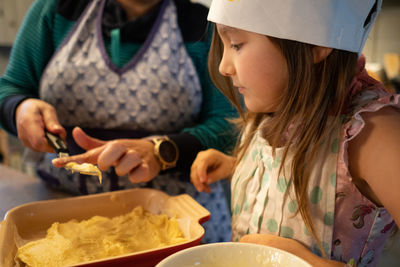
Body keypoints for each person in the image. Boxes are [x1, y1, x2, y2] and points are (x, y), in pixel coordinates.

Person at [0, 0, 237, 243]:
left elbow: (230, 125)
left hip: (176, 222)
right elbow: (11, 88)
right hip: (62, 213)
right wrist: (19, 107)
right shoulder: (57, 9)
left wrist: (162, 152)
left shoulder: (199, 25)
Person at [190, 0, 400, 265]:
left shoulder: (373, 133)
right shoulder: (275, 105)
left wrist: (303, 261)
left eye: (236, 44)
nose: (223, 66)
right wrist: (239, 165)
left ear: (317, 44)